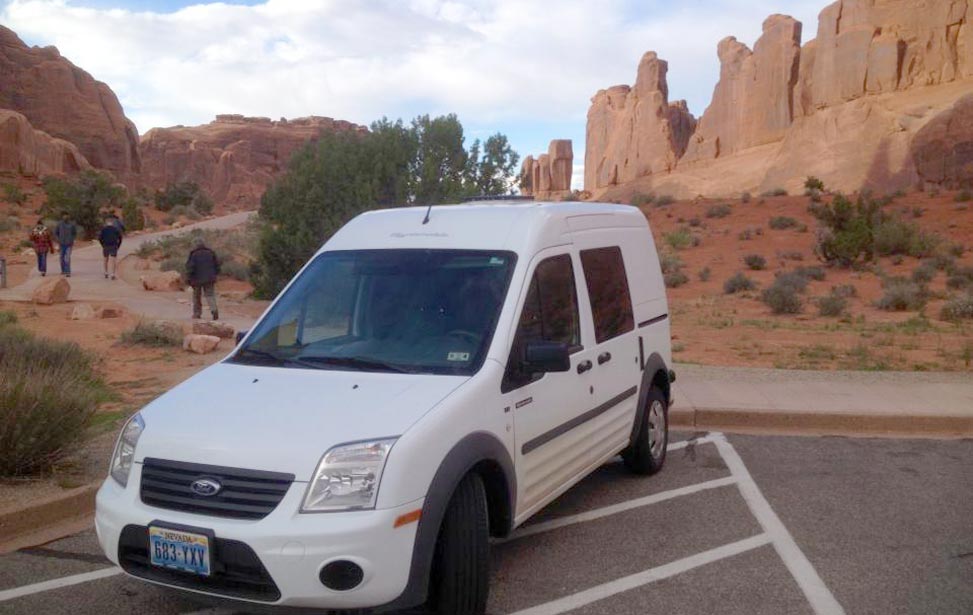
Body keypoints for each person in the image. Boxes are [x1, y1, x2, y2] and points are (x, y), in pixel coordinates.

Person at [185, 236, 220, 320]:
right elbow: (217, 265)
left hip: (196, 279)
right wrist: (215, 274)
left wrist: (188, 278)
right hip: (210, 278)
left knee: (196, 297)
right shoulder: (211, 252)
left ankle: (197, 314)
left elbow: (190, 267)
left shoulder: (194, 254)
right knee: (210, 295)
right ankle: (214, 310)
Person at [53, 212, 77, 277]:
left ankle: (68, 271)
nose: (65, 217)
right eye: (64, 216)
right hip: (61, 244)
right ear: (62, 216)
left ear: (69, 216)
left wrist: (72, 240)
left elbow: (74, 233)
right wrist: (58, 240)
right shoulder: (59, 224)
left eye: (67, 215)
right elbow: (55, 233)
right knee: (61, 258)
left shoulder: (72, 224)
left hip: (69, 244)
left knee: (67, 258)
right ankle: (63, 270)